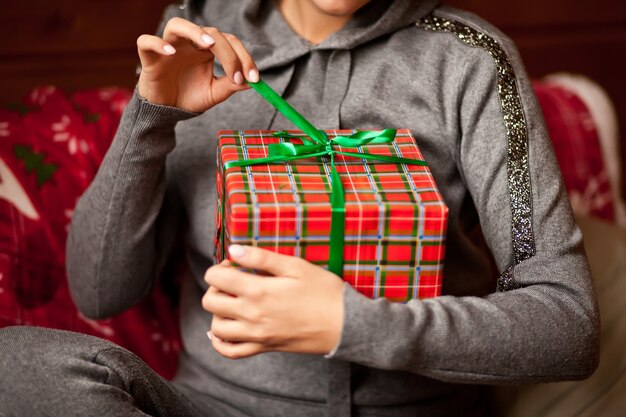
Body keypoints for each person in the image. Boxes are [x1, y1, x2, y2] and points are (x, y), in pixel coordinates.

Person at [0, 0, 600, 416]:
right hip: (212, 407)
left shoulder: (471, 59)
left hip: (414, 411)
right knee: (16, 364)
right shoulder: (198, 32)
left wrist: (353, 323)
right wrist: (150, 115)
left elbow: (568, 327)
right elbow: (99, 293)